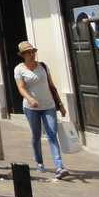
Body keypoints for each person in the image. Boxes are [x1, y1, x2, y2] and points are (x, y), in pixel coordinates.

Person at [13, 41, 69, 178]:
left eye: (33, 51)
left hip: (48, 105)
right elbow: (21, 88)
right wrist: (30, 99)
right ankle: (39, 162)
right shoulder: (19, 69)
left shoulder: (43, 66)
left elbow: (52, 85)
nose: (31, 54)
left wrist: (60, 104)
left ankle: (59, 166)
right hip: (31, 108)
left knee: (52, 134)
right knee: (36, 135)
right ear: (23, 55)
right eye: (28, 52)